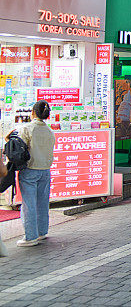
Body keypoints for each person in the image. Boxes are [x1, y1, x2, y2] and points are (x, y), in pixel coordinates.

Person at [9, 100, 56, 247]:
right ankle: (42, 232)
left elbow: (19, 148)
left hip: (30, 170)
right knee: (42, 202)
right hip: (45, 170)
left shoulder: (27, 129)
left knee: (29, 204)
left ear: (33, 113)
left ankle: (30, 237)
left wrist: (7, 139)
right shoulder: (49, 131)